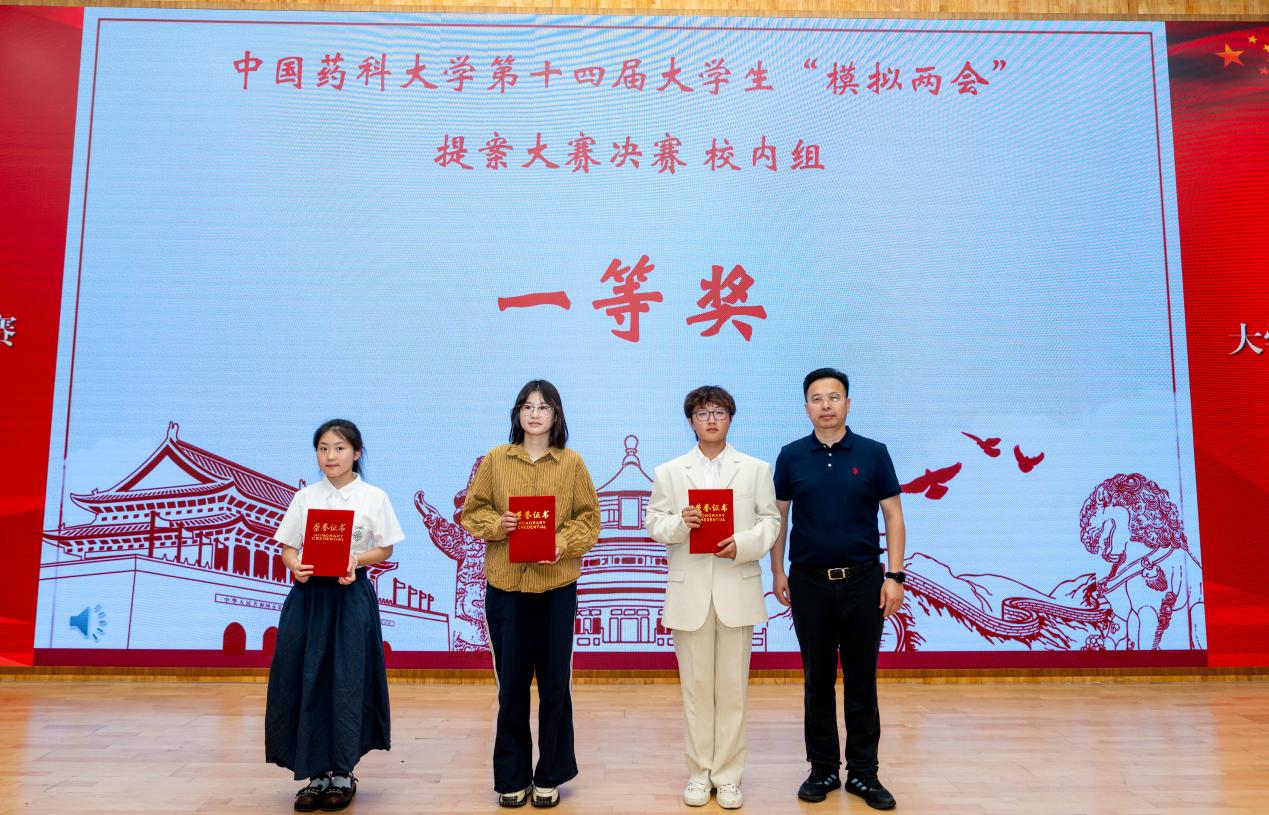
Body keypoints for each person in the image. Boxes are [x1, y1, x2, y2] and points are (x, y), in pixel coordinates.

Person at [770, 368, 907, 811]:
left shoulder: (873, 453)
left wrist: (895, 576)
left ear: (848, 403)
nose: (826, 405)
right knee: (817, 679)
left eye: (834, 397)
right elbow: (779, 518)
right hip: (808, 583)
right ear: (806, 407)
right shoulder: (791, 456)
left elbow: (893, 516)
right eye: (817, 398)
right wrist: (777, 571)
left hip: (864, 582)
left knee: (862, 679)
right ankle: (823, 768)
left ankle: (864, 772)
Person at [461, 380, 600, 809]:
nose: (534, 414)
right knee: (512, 689)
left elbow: (589, 519)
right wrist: (497, 525)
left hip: (557, 587)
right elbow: (472, 511)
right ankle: (512, 777)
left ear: (556, 415)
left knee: (556, 685)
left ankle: (550, 775)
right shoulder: (496, 459)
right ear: (517, 414)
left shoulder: (572, 463)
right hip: (507, 588)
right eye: (527, 406)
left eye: (543, 407)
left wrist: (561, 542)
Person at [646, 386, 780, 810]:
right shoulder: (669, 472)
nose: (711, 420)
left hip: (736, 586)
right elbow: (655, 524)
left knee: (733, 690)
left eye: (719, 412)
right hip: (690, 593)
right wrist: (680, 524)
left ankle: (729, 777)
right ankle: (699, 774)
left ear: (730, 418)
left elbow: (771, 521)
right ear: (690, 421)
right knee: (696, 690)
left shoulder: (755, 469)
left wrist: (743, 543)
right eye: (702, 413)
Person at [265, 419, 405, 812]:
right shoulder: (305, 497)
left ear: (356, 453)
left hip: (349, 596)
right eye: (323, 448)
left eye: (340, 448)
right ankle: (315, 775)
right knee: (306, 678)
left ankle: (343, 773)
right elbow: (287, 547)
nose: (331, 456)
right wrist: (295, 565)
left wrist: (355, 560)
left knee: (346, 681)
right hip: (309, 600)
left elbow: (386, 549)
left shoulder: (373, 497)